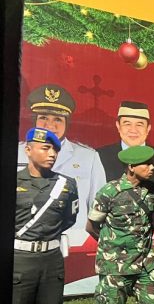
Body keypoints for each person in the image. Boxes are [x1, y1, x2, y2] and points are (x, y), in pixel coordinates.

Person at [10, 129, 78, 304]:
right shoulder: (13, 180)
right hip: (19, 260)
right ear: (28, 150)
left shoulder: (66, 184)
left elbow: (69, 219)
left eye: (55, 149)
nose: (52, 154)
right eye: (45, 148)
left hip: (51, 260)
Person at [86, 146, 154, 304]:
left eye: (152, 163)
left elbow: (146, 223)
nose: (152, 167)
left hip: (145, 263)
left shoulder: (152, 190)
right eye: (146, 164)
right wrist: (112, 246)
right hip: (115, 265)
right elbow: (91, 226)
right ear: (131, 167)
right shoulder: (109, 192)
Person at [16, 85, 105, 248]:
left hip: (75, 243)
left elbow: (99, 207)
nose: (50, 125)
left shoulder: (88, 157)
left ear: (67, 123)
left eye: (58, 119)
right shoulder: (17, 152)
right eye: (44, 117)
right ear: (34, 120)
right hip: (24, 243)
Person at [97, 101, 154, 231]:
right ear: (118, 126)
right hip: (113, 236)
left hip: (151, 235)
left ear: (148, 128)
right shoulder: (100, 156)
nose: (133, 130)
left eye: (139, 124)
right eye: (127, 124)